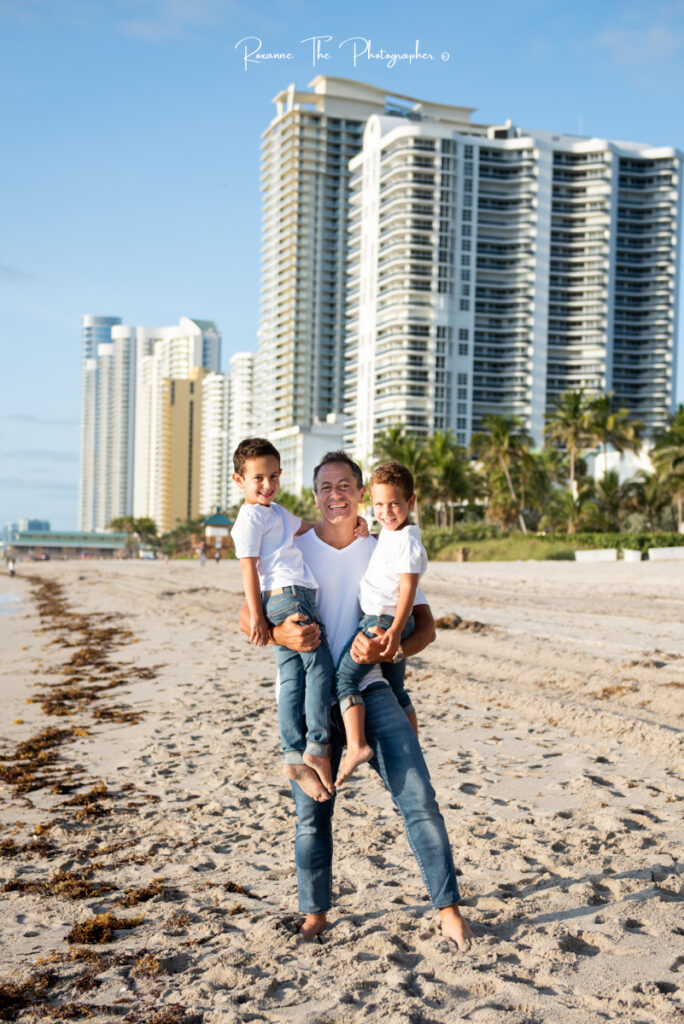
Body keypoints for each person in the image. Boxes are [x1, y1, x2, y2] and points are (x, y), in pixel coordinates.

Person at [239, 450, 474, 952]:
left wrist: (391, 645)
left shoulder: (384, 543)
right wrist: (282, 632)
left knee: (420, 800)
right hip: (309, 699)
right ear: (314, 494)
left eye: (344, 485)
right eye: (325, 487)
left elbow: (426, 628)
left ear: (361, 492)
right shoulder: (291, 541)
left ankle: (449, 910)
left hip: (371, 688)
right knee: (311, 815)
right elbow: (247, 618)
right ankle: (315, 915)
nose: (335, 495)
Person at [232, 438, 364, 796]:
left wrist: (356, 521)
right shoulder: (249, 518)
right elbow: (248, 568)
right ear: (238, 480)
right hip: (288, 597)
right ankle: (318, 748)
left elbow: (306, 525)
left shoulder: (275, 512)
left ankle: (293, 756)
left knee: (292, 677)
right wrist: (260, 619)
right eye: (258, 478)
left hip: (289, 597)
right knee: (319, 667)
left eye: (274, 476)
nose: (267, 485)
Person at [335, 461, 426, 785]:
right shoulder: (393, 533)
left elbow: (408, 590)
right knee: (397, 688)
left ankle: (357, 745)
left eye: (394, 504)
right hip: (386, 620)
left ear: (410, 502)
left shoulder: (407, 542)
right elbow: (384, 545)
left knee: (344, 678)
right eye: (378, 505)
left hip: (383, 621)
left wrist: (395, 631)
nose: (386, 512)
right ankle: (412, 746)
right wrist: (365, 528)